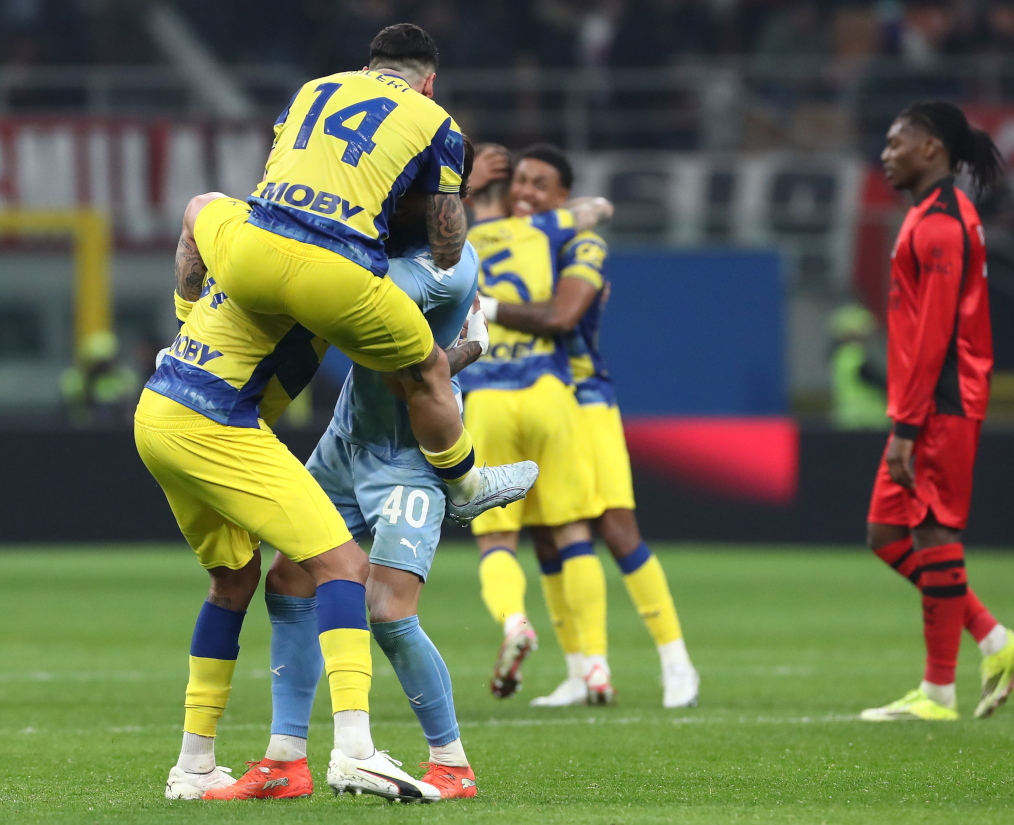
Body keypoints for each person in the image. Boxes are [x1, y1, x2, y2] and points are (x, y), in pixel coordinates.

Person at [137, 24, 536, 801]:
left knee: (263, 581)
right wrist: (470, 346)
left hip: (169, 402)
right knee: (345, 569)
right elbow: (415, 357)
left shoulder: (275, 178)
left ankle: (215, 764)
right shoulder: (379, 272)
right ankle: (353, 744)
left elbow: (201, 207)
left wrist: (187, 314)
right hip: (248, 420)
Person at [202, 187, 489, 802]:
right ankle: (285, 760)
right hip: (346, 440)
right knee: (289, 580)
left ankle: (452, 764)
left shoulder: (420, 277)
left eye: (395, 190)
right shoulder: (411, 253)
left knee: (387, 609)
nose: (375, 198)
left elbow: (375, 340)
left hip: (406, 459)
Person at [472, 144, 700, 709]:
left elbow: (561, 314)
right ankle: (581, 670)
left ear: (562, 196)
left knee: (616, 530)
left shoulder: (580, 242)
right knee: (549, 534)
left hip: (585, 397)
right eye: (521, 180)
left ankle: (676, 661)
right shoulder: (521, 236)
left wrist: (487, 306)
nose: (526, 192)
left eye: (540, 184)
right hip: (543, 397)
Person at [861, 101, 1014, 722]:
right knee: (886, 532)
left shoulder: (941, 224)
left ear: (931, 148)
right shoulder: (933, 213)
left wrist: (907, 428)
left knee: (934, 531)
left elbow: (935, 334)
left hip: (942, 400)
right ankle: (993, 639)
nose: (885, 154)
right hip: (927, 400)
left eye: (895, 143)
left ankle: (938, 692)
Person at [829, 303, 890, 430]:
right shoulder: (854, 354)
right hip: (868, 420)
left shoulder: (840, 355)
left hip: (849, 419)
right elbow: (878, 381)